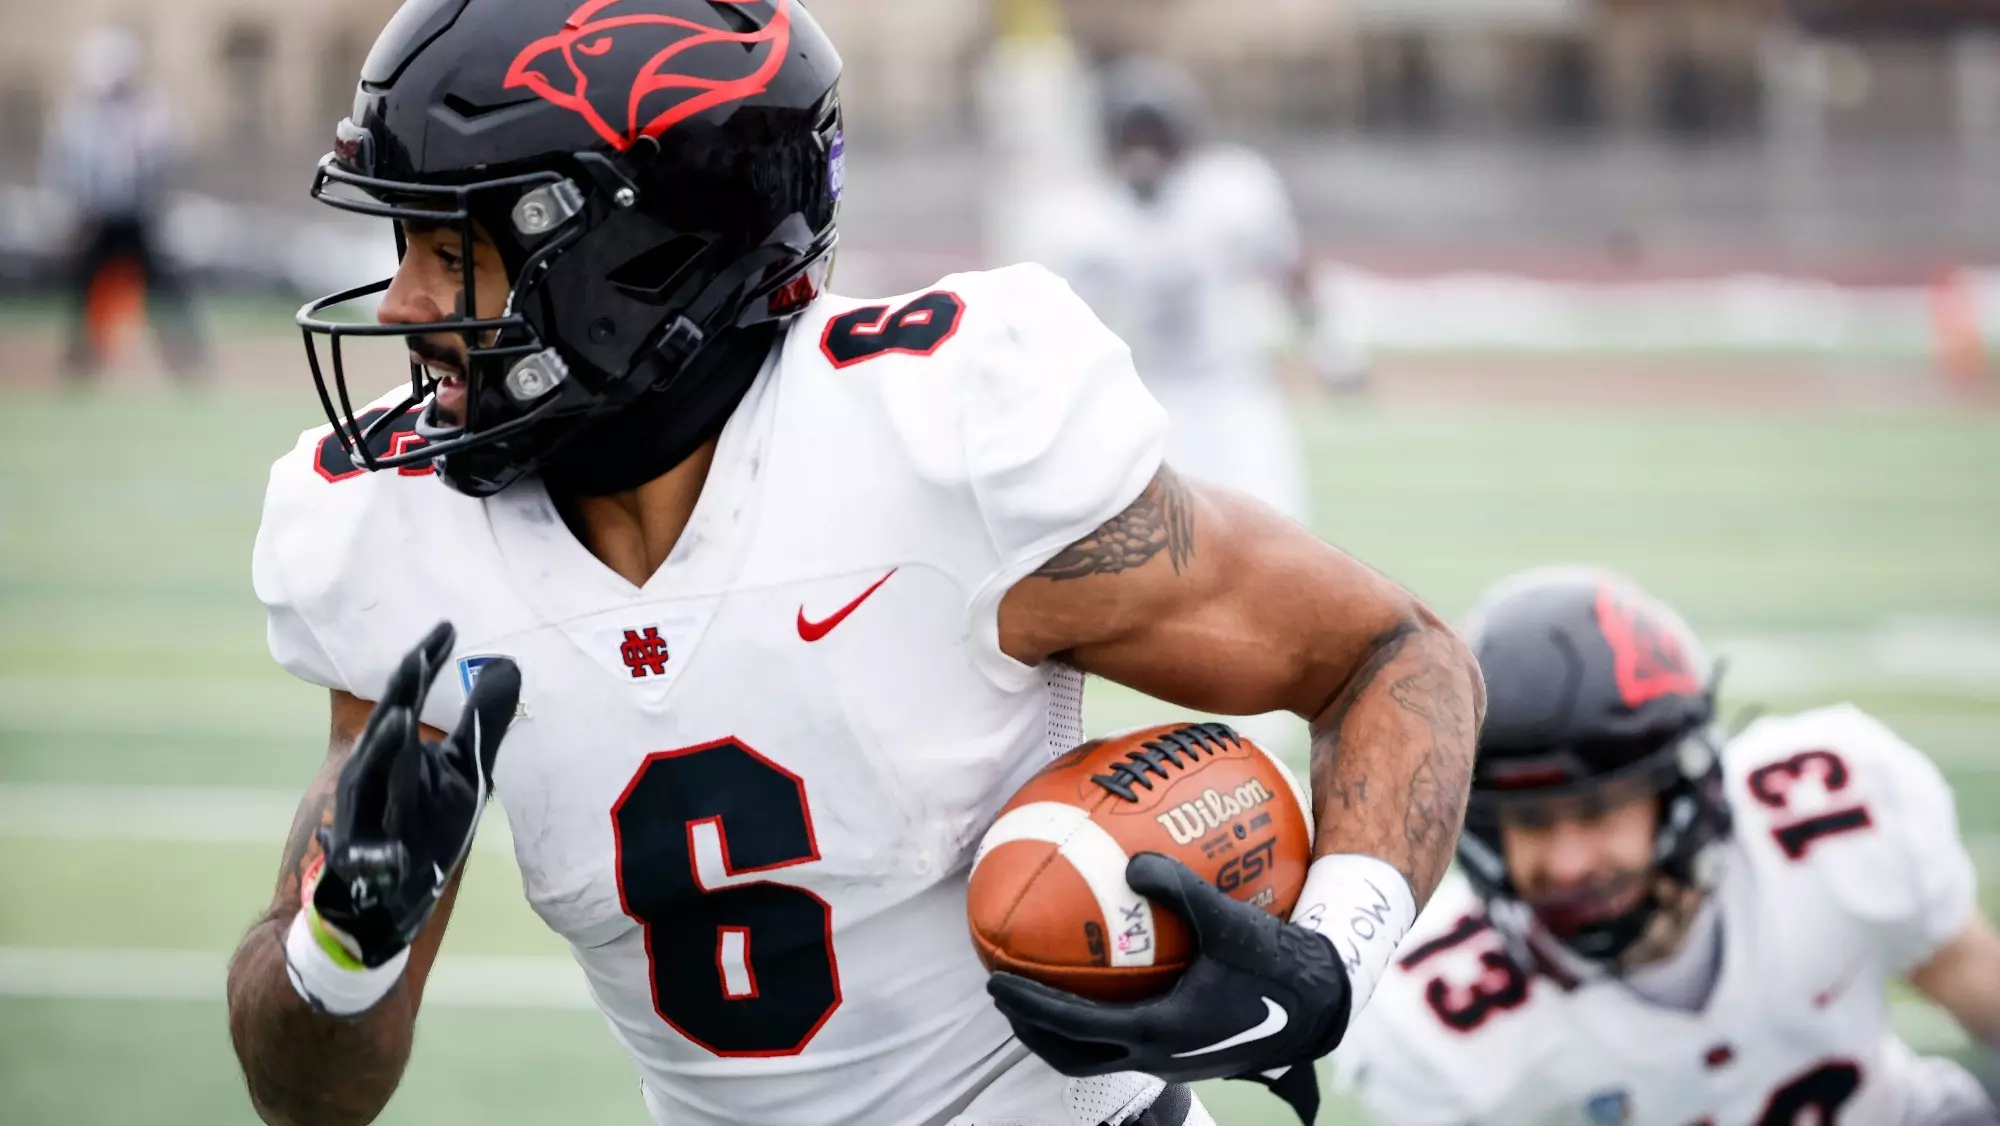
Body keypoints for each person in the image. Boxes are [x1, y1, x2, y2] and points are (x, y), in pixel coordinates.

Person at [222, 4, 1485, 1126]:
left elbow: (1392, 654)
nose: (400, 308)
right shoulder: (392, 531)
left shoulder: (941, 435)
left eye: (454, 250)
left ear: (631, 257)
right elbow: (309, 1099)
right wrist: (342, 947)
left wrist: (1333, 954)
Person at [1334, 566, 2000, 1125]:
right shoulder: (1431, 1012)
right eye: (1531, 820)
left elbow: (1978, 987)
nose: (1568, 862)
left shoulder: (1835, 805)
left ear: (1683, 789)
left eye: (1597, 810)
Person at [1035, 57, 1363, 532]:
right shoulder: (1082, 218)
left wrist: (1334, 351)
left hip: (1234, 388)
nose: (1144, 155)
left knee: (1275, 530)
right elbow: (1061, 325)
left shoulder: (1232, 190)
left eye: (1155, 140)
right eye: (1132, 140)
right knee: (1162, 543)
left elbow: (1289, 272)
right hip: (1145, 397)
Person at [41, 26, 204, 381]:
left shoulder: (150, 110)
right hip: (96, 218)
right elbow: (65, 170)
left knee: (164, 290)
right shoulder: (78, 115)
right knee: (85, 292)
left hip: (138, 216)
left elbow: (171, 154)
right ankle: (80, 364)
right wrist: (67, 218)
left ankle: (185, 362)